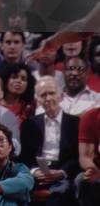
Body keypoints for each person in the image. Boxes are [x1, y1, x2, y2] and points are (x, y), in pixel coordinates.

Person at [20, 76, 80, 205]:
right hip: (36, 173)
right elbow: (25, 157)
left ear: (61, 95)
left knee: (61, 191)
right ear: (38, 100)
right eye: (43, 95)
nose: (48, 99)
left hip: (62, 172)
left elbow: (77, 156)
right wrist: (35, 172)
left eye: (52, 93)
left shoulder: (76, 123)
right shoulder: (29, 124)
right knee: (16, 187)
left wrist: (62, 172)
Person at [75, 106, 100, 206]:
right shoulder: (91, 117)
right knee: (82, 179)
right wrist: (93, 169)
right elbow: (84, 157)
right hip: (98, 169)